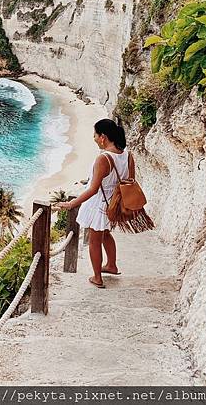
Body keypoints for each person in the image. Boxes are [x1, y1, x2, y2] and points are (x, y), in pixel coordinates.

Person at [59, 119, 133, 288]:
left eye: (95, 134)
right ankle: (112, 265)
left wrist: (71, 204)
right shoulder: (127, 155)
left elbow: (92, 190)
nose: (93, 138)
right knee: (106, 234)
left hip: (100, 203)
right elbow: (130, 180)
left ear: (103, 137)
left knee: (94, 240)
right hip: (114, 202)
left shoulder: (103, 158)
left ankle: (97, 277)